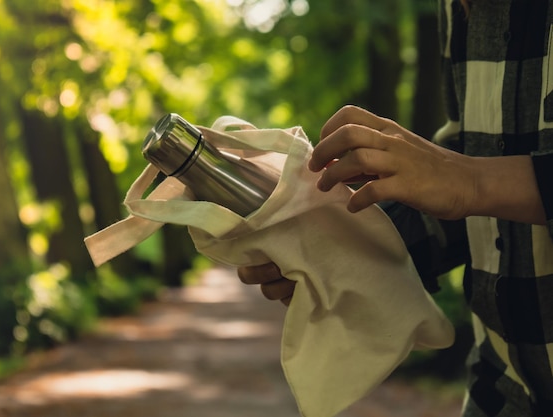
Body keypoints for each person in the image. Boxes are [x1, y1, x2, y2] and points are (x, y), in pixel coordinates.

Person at [237, 0, 553, 416]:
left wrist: (473, 180)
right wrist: (347, 252)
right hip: (502, 392)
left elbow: (471, 179)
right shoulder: (457, 7)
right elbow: (472, 168)